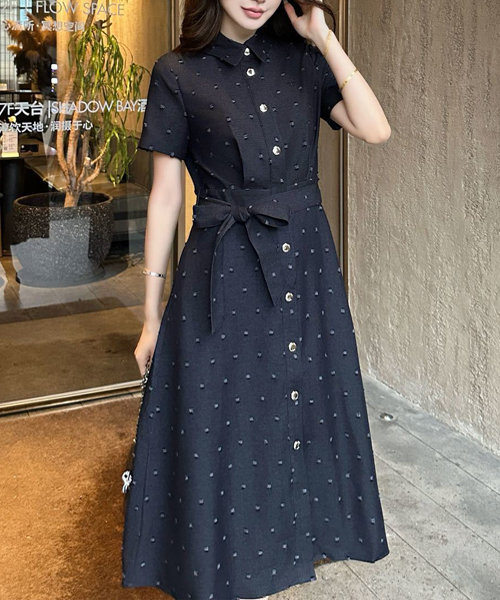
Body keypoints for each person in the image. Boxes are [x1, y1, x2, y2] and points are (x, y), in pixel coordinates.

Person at [121, 0, 391, 598]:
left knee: (299, 404)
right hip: (222, 267)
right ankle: (232, 562)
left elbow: (375, 128)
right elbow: (166, 197)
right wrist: (150, 315)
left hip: (304, 266)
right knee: (227, 420)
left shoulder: (305, 61)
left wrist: (324, 38)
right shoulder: (177, 72)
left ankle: (295, 543)